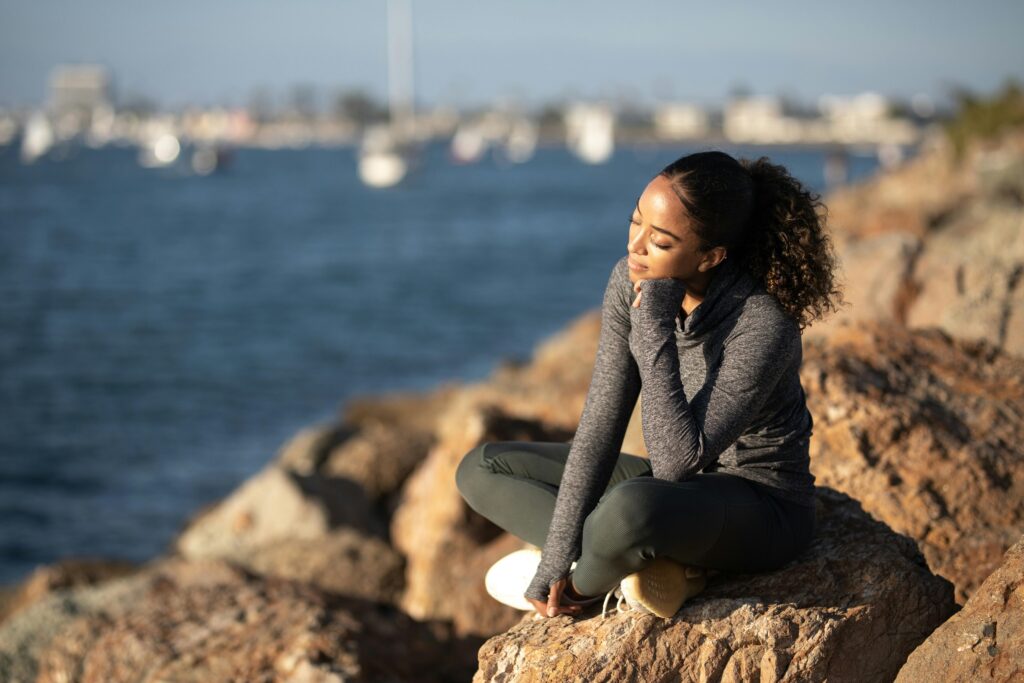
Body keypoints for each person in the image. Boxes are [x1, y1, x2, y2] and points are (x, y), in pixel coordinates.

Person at [455, 150, 844, 620]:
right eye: (634, 223)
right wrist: (556, 554)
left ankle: (586, 589)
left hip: (760, 507)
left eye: (659, 241)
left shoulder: (762, 324)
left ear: (711, 256)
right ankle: (639, 564)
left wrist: (654, 326)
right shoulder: (628, 280)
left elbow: (678, 460)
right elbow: (601, 425)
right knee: (482, 468)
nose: (635, 248)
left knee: (629, 511)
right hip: (673, 492)